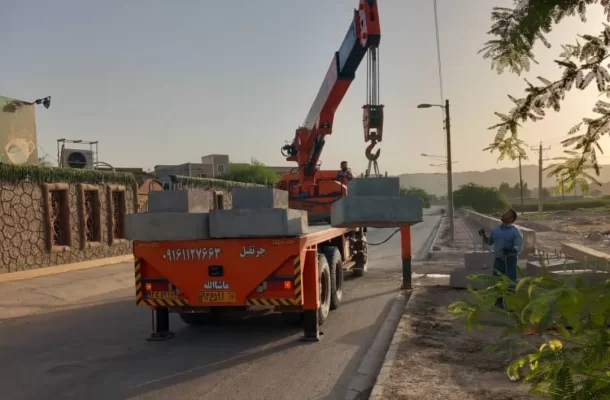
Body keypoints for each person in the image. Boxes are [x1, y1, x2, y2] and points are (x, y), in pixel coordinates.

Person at [478, 208, 523, 308]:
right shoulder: (495, 230)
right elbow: (490, 242)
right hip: (498, 260)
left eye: (507, 214)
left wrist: (511, 250)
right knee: (497, 282)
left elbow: (519, 247)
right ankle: (499, 302)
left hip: (510, 261)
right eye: (505, 213)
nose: (504, 214)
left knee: (510, 283)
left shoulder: (515, 232)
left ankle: (511, 304)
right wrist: (483, 235)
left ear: (511, 219)